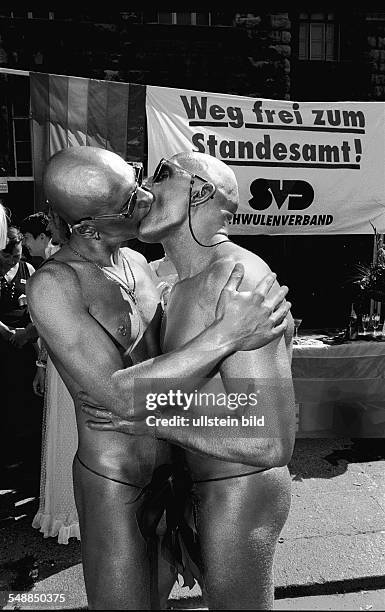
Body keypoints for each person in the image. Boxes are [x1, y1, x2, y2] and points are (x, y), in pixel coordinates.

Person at [26, 145, 290, 610]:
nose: (146, 193)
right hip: (119, 479)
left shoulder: (165, 270)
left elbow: (264, 432)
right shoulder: (57, 283)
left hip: (205, 476)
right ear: (88, 226)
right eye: (131, 200)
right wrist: (225, 335)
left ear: (202, 193)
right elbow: (116, 398)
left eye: (150, 179)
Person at [32, 208, 79, 544]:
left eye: (52, 221)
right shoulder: (56, 266)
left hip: (72, 365)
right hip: (68, 366)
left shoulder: (57, 267)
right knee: (69, 436)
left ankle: (76, 510)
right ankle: (68, 510)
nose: (47, 227)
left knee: (76, 436)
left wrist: (42, 363)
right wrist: (42, 364)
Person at [0, 226, 42, 468]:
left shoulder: (29, 269)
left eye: (15, 256)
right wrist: (5, 332)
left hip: (25, 341)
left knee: (23, 395)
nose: (12, 261)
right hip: (3, 338)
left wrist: (26, 334)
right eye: (7, 257)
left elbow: (36, 309)